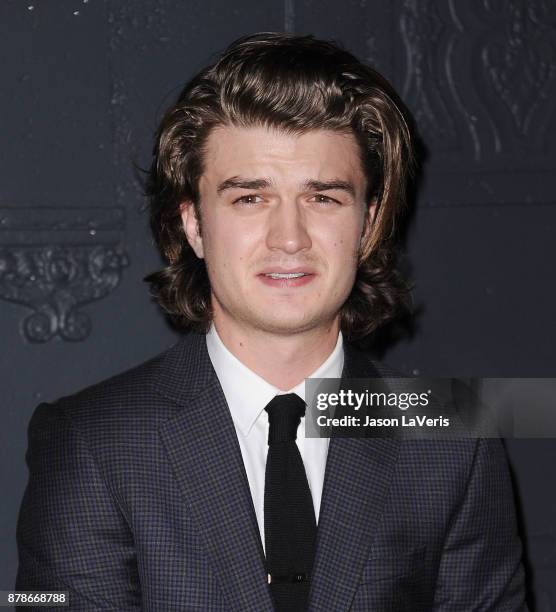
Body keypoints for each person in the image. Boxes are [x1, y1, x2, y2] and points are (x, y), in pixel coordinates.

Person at [16, 32, 527, 610]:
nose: (290, 238)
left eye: (323, 198)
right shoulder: (90, 441)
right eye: (250, 199)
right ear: (193, 224)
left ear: (368, 222)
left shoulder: (453, 435)